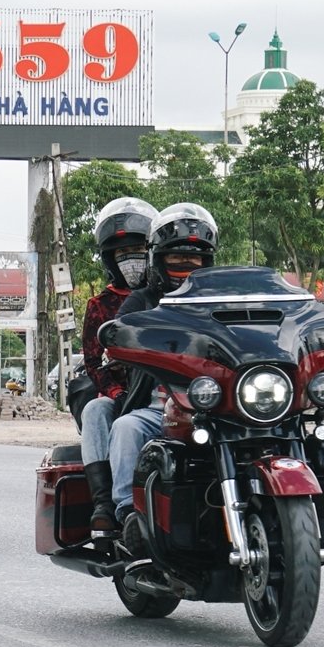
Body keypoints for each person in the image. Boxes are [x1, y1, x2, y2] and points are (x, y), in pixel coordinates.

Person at [106, 203, 218, 547]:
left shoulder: (221, 300)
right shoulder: (141, 301)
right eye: (177, 259)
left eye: (195, 259)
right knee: (125, 427)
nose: (186, 266)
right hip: (160, 409)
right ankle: (129, 515)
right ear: (159, 259)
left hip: (216, 406)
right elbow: (117, 333)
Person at [76, 197, 157, 535]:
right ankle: (105, 505)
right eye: (123, 255)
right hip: (121, 392)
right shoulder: (100, 305)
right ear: (111, 260)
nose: (132, 262)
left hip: (167, 392)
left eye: (138, 251)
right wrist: (118, 393)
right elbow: (95, 360)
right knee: (96, 411)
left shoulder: (172, 293)